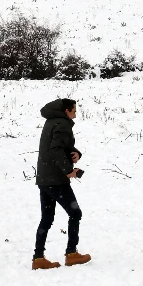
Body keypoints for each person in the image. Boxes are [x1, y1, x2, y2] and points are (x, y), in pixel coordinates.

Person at [33, 98, 89, 270]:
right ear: (66, 111)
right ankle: (71, 253)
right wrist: (68, 171)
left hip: (44, 178)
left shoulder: (52, 121)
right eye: (74, 111)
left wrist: (75, 153)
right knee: (75, 213)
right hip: (56, 180)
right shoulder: (63, 124)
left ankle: (38, 258)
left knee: (47, 218)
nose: (76, 114)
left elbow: (60, 146)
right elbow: (56, 149)